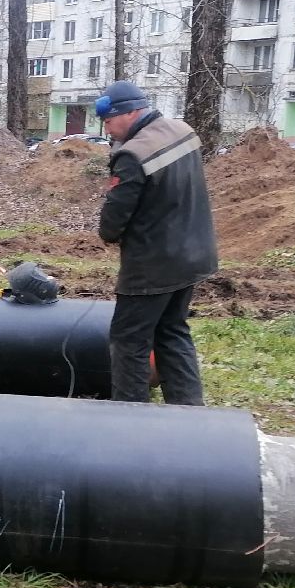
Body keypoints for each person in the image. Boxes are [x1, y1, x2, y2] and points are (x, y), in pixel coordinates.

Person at [95, 81, 218, 406]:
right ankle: (188, 411)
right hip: (192, 255)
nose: (107, 129)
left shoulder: (133, 154)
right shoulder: (182, 131)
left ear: (131, 112)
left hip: (153, 266)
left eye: (108, 121)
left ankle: (132, 419)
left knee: (129, 341)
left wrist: (107, 233)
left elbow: (114, 219)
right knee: (172, 331)